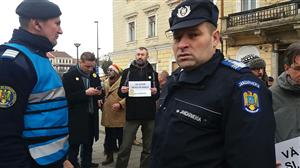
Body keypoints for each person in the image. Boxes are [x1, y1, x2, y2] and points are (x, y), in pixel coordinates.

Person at [151, 0, 276, 167]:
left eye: (193, 35)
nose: (182, 44)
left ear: (215, 38)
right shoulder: (175, 80)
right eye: (177, 37)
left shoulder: (240, 87)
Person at [0, 0, 70, 167]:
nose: (61, 30)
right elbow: (4, 132)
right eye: (57, 23)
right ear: (37, 24)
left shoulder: (37, 56)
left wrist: (63, 159)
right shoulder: (12, 62)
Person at [115, 47, 160, 168]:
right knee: (125, 147)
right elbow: (120, 93)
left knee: (148, 148)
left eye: (142, 54)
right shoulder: (127, 72)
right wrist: (123, 90)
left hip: (149, 116)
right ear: (135, 56)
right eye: (138, 54)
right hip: (132, 115)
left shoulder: (153, 73)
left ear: (147, 56)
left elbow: (158, 95)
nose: (140, 57)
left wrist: (155, 92)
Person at [62, 52, 103, 168]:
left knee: (89, 142)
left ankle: (87, 163)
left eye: (92, 66)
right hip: (77, 117)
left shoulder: (94, 75)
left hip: (91, 115)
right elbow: (66, 97)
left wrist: (100, 95)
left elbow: (99, 89)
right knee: (74, 143)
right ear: (80, 62)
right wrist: (85, 93)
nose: (90, 69)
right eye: (87, 66)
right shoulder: (69, 75)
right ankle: (73, 163)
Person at [101, 64, 126, 166]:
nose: (109, 71)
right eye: (108, 70)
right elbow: (102, 94)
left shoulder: (123, 82)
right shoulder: (105, 82)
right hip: (108, 114)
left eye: (111, 70)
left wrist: (121, 104)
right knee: (109, 138)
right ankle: (109, 156)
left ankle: (122, 160)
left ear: (116, 72)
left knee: (121, 139)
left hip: (119, 114)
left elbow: (130, 96)